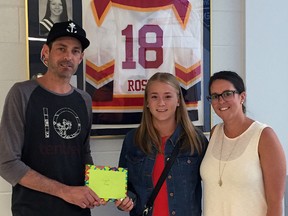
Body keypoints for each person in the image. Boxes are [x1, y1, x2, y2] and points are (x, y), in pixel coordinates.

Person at [0, 21, 103, 216]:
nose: (68, 57)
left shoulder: (84, 99)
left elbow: (84, 153)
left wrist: (104, 189)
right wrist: (65, 192)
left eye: (75, 51)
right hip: (33, 210)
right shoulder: (21, 93)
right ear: (46, 52)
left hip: (77, 210)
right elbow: (7, 163)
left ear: (80, 58)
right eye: (61, 49)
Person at [115, 72, 208, 216]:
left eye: (168, 96)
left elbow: (215, 184)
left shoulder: (196, 140)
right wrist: (123, 200)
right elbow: (123, 188)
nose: (161, 103)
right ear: (147, 102)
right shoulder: (132, 140)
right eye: (154, 97)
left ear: (178, 100)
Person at [200, 71, 286, 216]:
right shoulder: (215, 132)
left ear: (242, 97)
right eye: (215, 96)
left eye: (227, 94)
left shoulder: (264, 136)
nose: (221, 101)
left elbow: (276, 203)